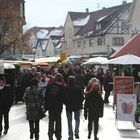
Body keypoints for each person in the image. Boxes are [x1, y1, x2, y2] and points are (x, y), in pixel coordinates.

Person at [45, 73, 65, 140]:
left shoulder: (49, 85)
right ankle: (58, 135)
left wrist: (46, 106)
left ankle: (50, 134)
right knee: (58, 121)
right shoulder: (61, 86)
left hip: (51, 106)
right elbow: (63, 97)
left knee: (51, 121)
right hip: (58, 106)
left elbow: (46, 97)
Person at [65, 76, 84, 140]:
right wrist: (79, 103)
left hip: (69, 107)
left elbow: (64, 98)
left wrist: (66, 103)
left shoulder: (66, 88)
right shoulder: (78, 88)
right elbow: (82, 97)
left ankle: (70, 135)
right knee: (77, 120)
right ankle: (76, 132)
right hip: (77, 106)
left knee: (69, 121)